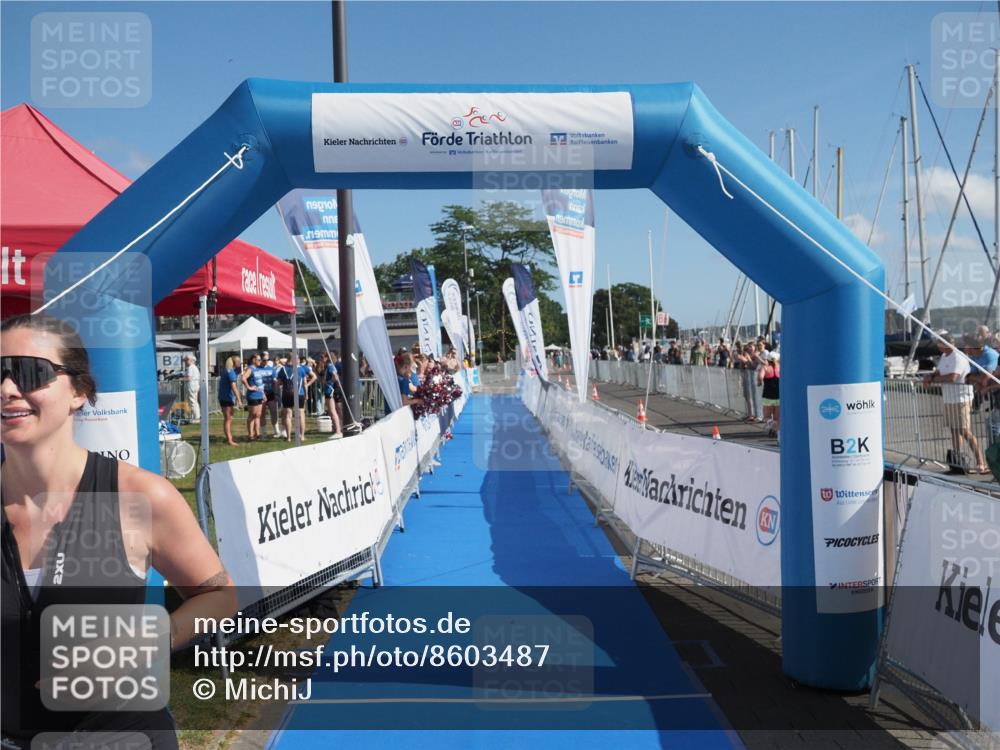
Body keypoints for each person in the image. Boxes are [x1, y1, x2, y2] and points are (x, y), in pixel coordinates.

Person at [1, 313, 237, 748]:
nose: (7, 389)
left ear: (79, 392)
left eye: (29, 372)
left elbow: (220, 596)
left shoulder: (143, 496)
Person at [925, 332, 988, 473]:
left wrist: (933, 380)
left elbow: (953, 377)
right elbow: (939, 371)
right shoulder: (944, 356)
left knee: (965, 430)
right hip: (949, 398)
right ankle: (957, 460)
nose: (939, 348)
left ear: (945, 344)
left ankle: (980, 462)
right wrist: (931, 376)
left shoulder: (958, 357)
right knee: (954, 430)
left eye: (940, 345)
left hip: (961, 399)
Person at [275, 352, 316, 443]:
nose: (298, 360)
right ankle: (302, 436)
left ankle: (289, 437)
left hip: (286, 393)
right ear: (294, 359)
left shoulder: (283, 369)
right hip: (299, 393)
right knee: (301, 414)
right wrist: (306, 392)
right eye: (297, 359)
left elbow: (278, 383)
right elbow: (309, 380)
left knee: (288, 415)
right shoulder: (301, 369)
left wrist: (283, 384)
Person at [217, 355, 242, 446]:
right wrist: (239, 400)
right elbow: (234, 387)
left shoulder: (226, 371)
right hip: (226, 398)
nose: (240, 363)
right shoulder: (231, 372)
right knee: (228, 419)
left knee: (229, 418)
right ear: (235, 363)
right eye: (239, 361)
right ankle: (229, 440)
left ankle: (229, 437)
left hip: (224, 397)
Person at [241, 353, 266, 441]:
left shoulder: (257, 369)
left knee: (258, 415)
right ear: (254, 360)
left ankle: (257, 434)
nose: (260, 361)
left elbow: (260, 383)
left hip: (259, 395)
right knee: (252, 415)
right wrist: (249, 387)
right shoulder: (250, 369)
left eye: (260, 360)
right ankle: (250, 435)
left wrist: (263, 394)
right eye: (259, 360)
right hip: (253, 395)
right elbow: (243, 378)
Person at [319, 352, 344, 440]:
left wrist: (329, 382)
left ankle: (338, 431)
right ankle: (337, 429)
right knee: (331, 411)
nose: (321, 359)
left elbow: (335, 376)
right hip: (328, 390)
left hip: (330, 390)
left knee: (333, 411)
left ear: (327, 358)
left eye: (323, 357)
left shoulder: (330, 366)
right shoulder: (327, 366)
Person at [257, 351, 281, 439]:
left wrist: (277, 385)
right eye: (264, 360)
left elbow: (275, 381)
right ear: (261, 359)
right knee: (262, 413)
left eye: (268, 360)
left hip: (271, 393)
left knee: (274, 412)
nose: (266, 361)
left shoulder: (272, 369)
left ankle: (276, 431)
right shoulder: (257, 369)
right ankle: (264, 433)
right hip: (261, 394)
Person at [759, 350, 780, 439]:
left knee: (766, 417)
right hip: (779, 396)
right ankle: (775, 432)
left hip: (768, 396)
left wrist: (759, 382)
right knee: (777, 418)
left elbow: (760, 377)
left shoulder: (765, 368)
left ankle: (771, 424)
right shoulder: (780, 368)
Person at [183, 354, 200, 422]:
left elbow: (189, 378)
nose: (185, 362)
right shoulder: (195, 367)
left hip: (192, 386)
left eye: (186, 360)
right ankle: (196, 417)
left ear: (190, 360)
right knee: (195, 402)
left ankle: (195, 418)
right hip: (195, 385)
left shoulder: (190, 367)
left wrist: (182, 378)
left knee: (192, 402)